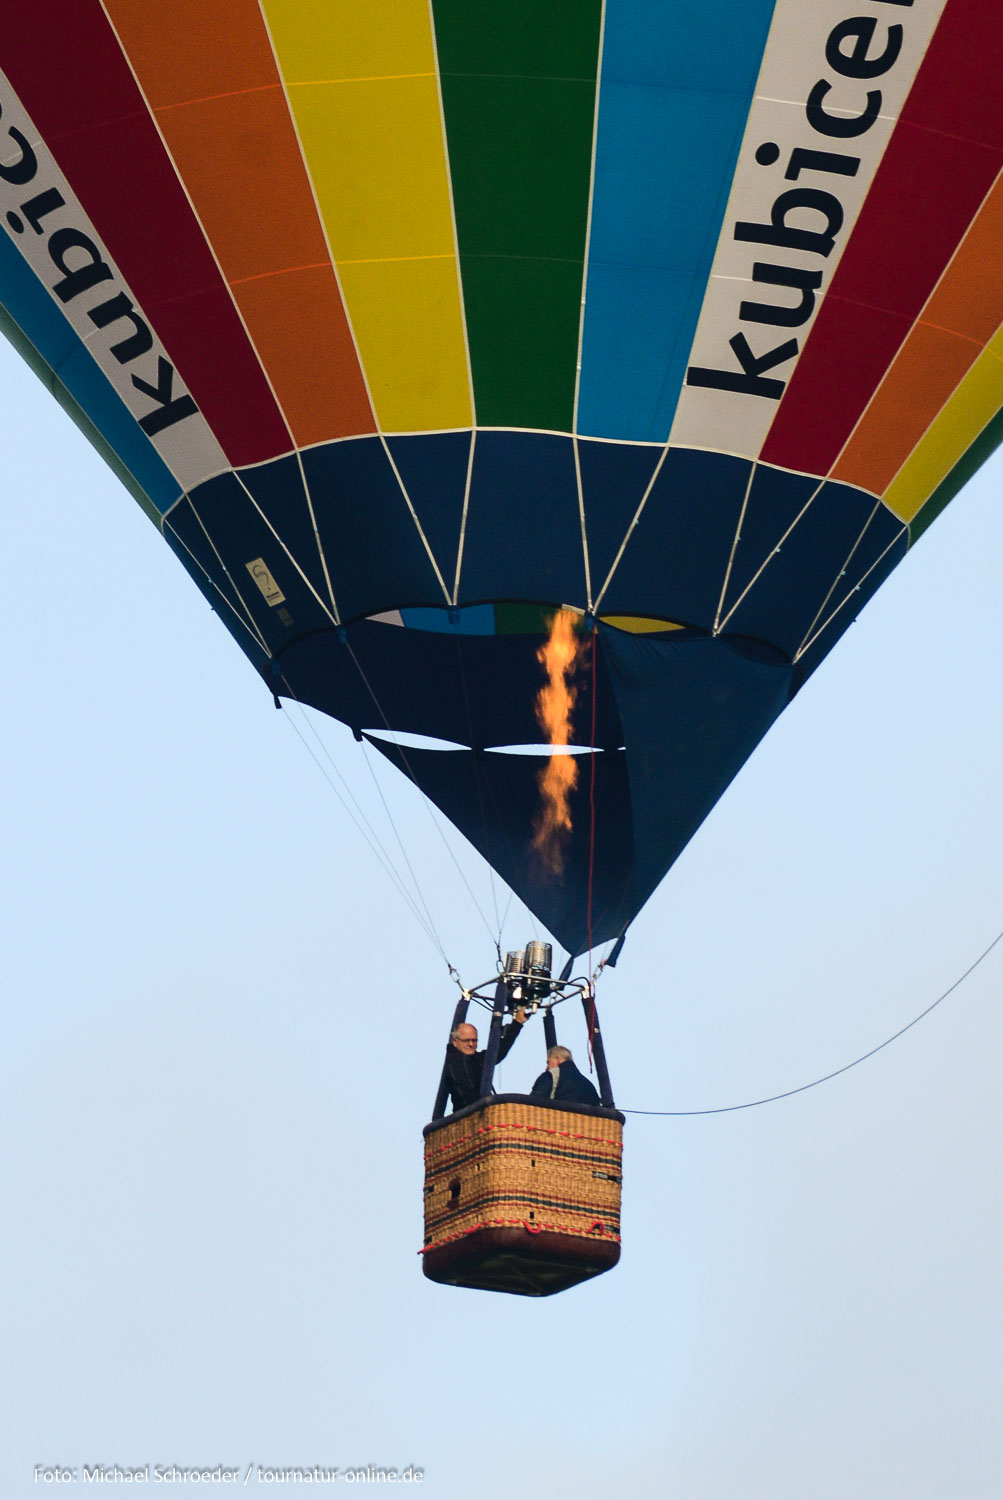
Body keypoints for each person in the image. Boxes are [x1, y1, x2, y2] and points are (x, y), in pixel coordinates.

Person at [443, 1008, 526, 1113]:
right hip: (470, 1116)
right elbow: (466, 1094)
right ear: (455, 1042)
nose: (471, 1044)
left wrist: (517, 1023)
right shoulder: (456, 1062)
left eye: (474, 1040)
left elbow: (497, 1053)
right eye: (466, 1040)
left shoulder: (474, 1058)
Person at [530, 1045, 600, 1106]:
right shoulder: (589, 1085)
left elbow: (533, 1101)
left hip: (557, 1119)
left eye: (548, 1062)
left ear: (558, 1058)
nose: (547, 1067)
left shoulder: (551, 1075)